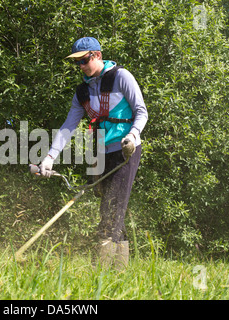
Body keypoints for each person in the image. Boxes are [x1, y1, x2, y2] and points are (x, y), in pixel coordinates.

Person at [39, 37, 148, 269]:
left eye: (84, 59)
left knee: (111, 208)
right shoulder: (82, 91)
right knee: (113, 210)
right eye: (76, 62)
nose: (81, 66)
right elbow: (68, 126)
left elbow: (141, 111)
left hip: (125, 151)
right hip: (100, 154)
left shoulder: (121, 76)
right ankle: (119, 275)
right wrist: (49, 158)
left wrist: (133, 135)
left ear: (97, 55)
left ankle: (100, 273)